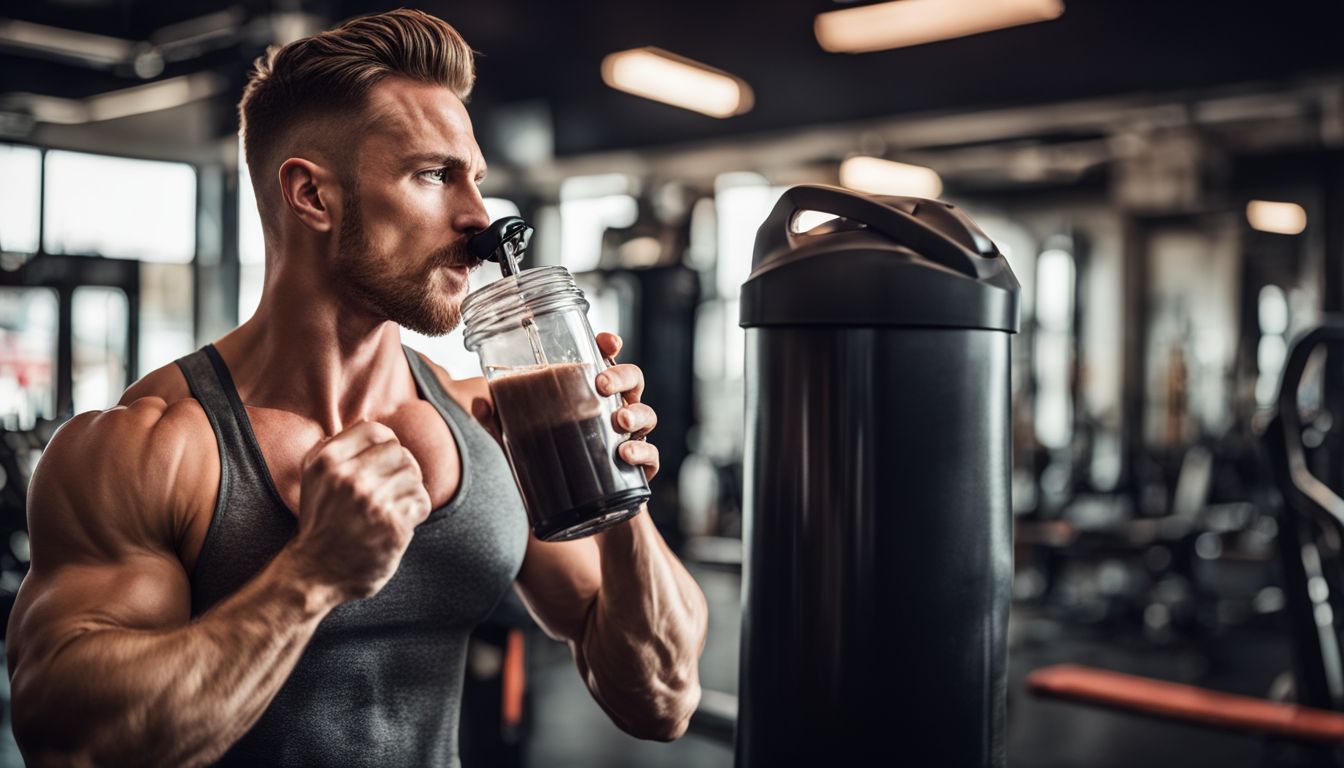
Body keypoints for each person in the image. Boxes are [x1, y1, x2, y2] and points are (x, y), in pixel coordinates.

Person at [6, 9, 708, 766]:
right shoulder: (147, 445)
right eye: (434, 175)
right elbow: (69, 743)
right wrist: (309, 577)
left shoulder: (487, 422)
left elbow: (661, 696)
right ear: (312, 196)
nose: (478, 216)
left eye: (475, 178)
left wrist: (617, 484)